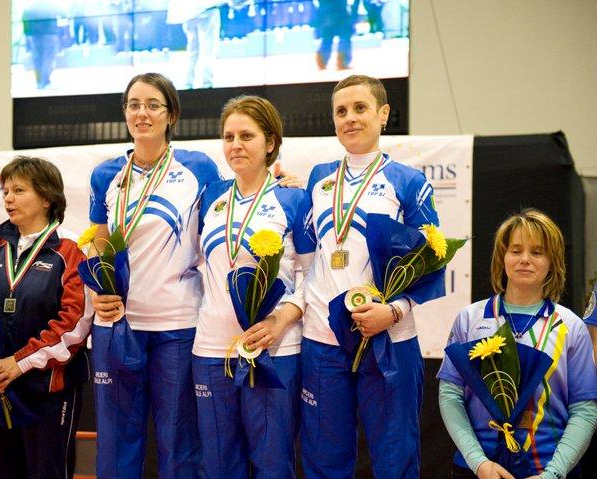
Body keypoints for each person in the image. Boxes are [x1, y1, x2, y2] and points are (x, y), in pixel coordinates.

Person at [293, 75, 441, 478]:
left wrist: (392, 311)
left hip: (389, 338)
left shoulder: (408, 181)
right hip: (323, 341)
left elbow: (431, 260)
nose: (350, 118)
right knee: (324, 460)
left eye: (360, 108)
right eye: (341, 111)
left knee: (395, 458)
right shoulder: (319, 178)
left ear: (384, 114)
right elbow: (306, 256)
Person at [88, 72, 222, 479]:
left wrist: (278, 180)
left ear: (171, 115)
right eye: (133, 104)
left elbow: (228, 217)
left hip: (176, 325)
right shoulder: (105, 174)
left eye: (152, 105)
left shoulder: (198, 168)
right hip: (117, 324)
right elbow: (99, 243)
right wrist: (100, 291)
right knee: (115, 443)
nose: (141, 113)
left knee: (179, 440)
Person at [0, 156, 93, 479]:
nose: (8, 199)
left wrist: (19, 363)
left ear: (46, 197)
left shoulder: (70, 250)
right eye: (5, 191)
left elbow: (74, 323)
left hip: (46, 391)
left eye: (19, 190)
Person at [193, 95, 309, 478]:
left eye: (247, 135)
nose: (235, 145)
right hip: (211, 348)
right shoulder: (210, 197)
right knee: (218, 465)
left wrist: (281, 319)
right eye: (228, 137)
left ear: (270, 142)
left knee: (272, 463)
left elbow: (313, 275)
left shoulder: (293, 198)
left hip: (274, 349)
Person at [438, 209, 597, 479]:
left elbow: (584, 408)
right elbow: (450, 395)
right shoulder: (470, 318)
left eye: (537, 252)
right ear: (502, 256)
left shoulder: (570, 326)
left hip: (546, 468)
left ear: (552, 262)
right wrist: (479, 463)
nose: (525, 259)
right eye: (515, 250)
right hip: (478, 468)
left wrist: (554, 473)